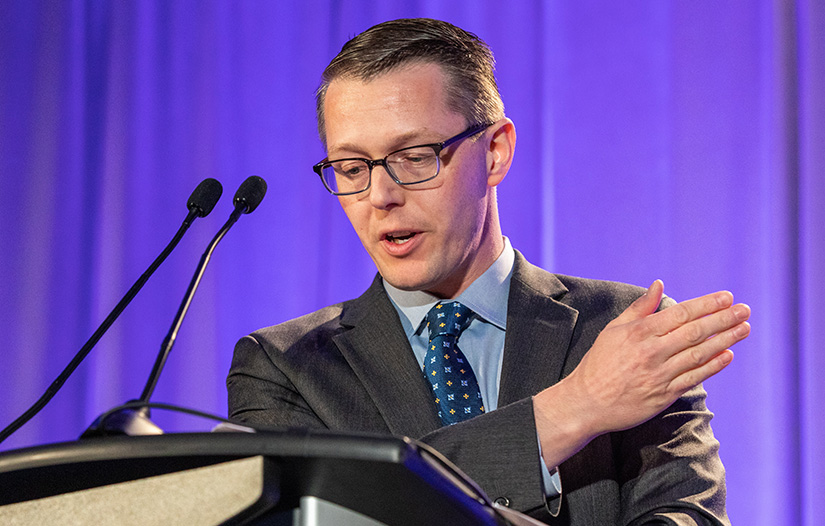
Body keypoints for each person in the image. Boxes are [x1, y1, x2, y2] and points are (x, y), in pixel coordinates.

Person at [227, 18, 750, 525]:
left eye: (413, 156)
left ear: (495, 152)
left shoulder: (625, 330)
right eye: (351, 168)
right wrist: (573, 408)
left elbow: (689, 517)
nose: (380, 196)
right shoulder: (284, 367)